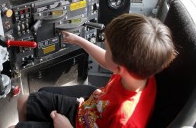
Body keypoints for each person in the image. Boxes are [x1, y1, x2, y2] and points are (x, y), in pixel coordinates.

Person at [9, 13, 177, 128]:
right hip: (87, 109)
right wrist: (78, 40)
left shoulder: (126, 121)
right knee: (23, 101)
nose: (105, 50)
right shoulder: (140, 72)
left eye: (107, 48)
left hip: (77, 123)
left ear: (120, 69)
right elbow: (108, 61)